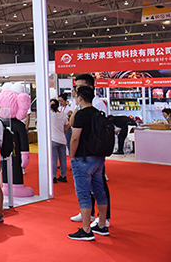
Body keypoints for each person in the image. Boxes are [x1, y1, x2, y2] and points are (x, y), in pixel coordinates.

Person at [69, 73, 111, 228]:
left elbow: (75, 137)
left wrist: (72, 156)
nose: (77, 89)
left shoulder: (94, 107)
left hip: (85, 155)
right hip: (96, 155)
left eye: (80, 87)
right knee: (97, 190)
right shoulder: (89, 110)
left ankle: (88, 228)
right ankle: (99, 222)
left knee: (85, 192)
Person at [50, 99, 70, 183]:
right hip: (62, 139)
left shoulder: (50, 115)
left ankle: (53, 176)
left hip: (53, 139)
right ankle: (63, 175)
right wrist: (63, 131)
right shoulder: (63, 115)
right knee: (63, 159)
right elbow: (67, 125)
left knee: (54, 159)